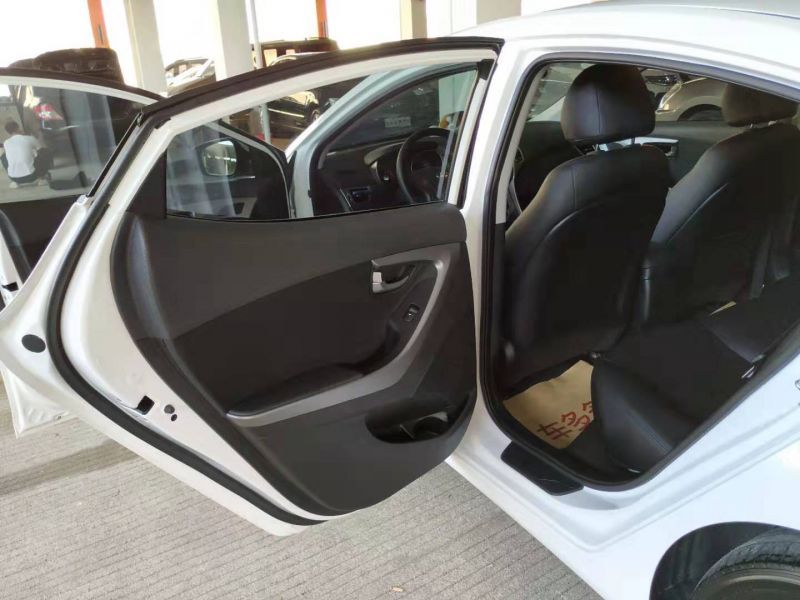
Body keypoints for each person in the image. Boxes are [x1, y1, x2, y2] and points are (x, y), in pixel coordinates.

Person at [1, 121, 48, 189]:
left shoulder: (6, 142)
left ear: (8, 132)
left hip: (14, 178)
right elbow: (41, 149)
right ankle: (42, 178)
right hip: (32, 176)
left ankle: (14, 182)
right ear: (18, 128)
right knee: (44, 152)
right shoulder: (29, 138)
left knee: (3, 157)